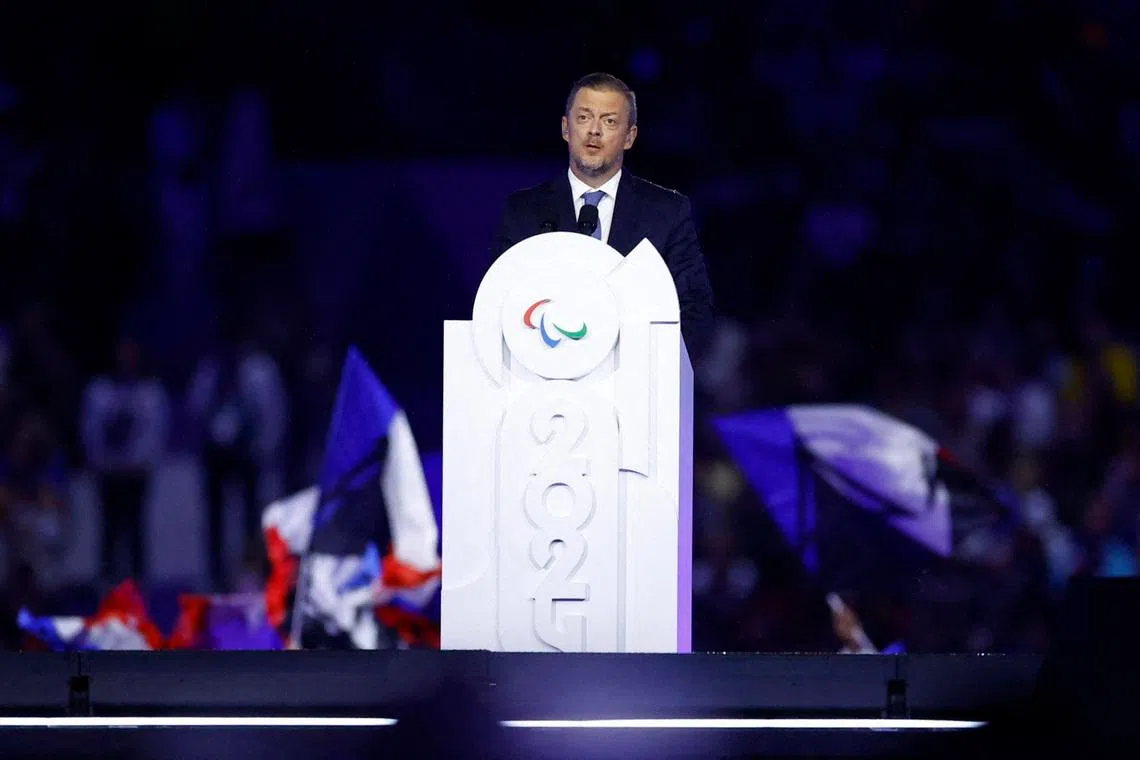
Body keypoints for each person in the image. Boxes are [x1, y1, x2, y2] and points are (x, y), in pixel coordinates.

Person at [492, 72, 714, 353]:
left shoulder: (666, 212)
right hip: (545, 381)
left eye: (609, 121)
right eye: (584, 118)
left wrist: (649, 362)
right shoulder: (523, 211)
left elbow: (694, 306)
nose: (594, 131)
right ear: (565, 127)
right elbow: (498, 300)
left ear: (629, 137)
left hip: (635, 379)